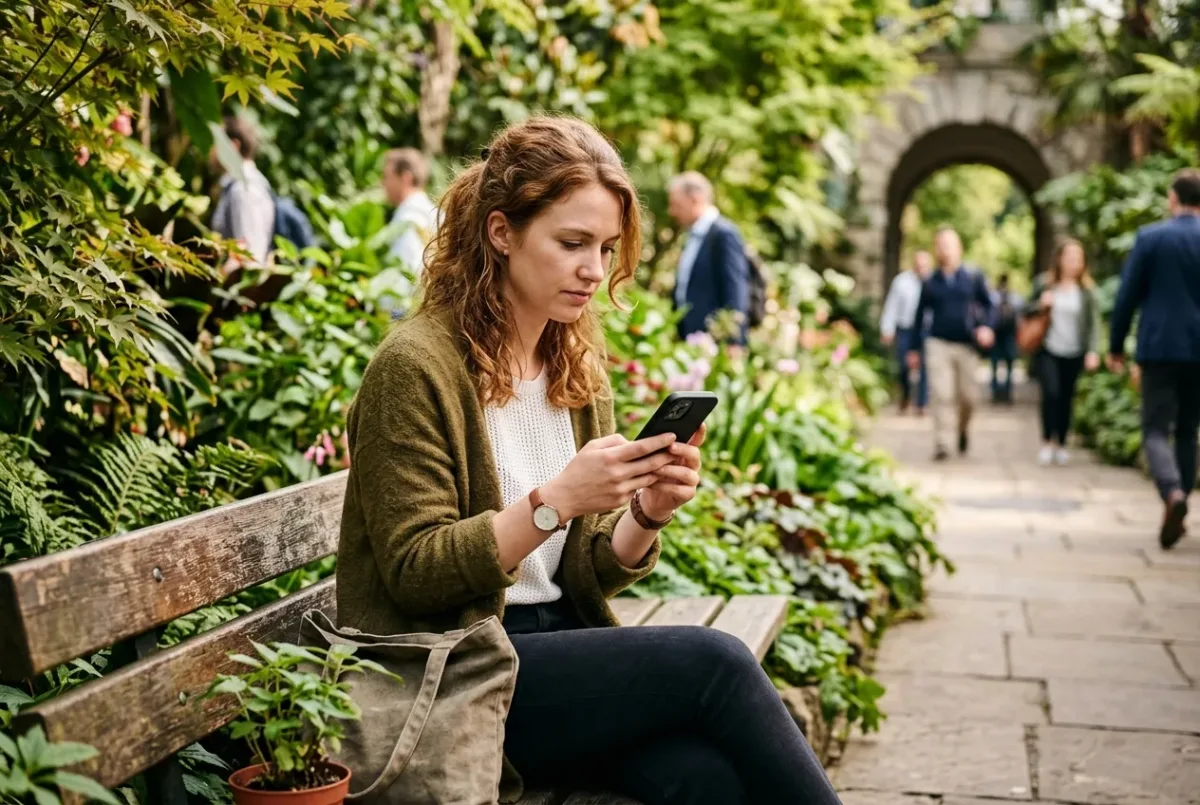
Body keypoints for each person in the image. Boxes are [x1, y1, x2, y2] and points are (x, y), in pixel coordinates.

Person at [335, 117, 841, 805]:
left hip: (553, 656)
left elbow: (585, 565)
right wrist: (553, 502)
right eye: (572, 243)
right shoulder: (415, 367)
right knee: (714, 661)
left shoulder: (571, 363)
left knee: (702, 780)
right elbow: (414, 571)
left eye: (605, 247)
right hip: (458, 671)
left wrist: (645, 512)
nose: (594, 270)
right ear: (501, 232)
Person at [1109, 168, 1200, 550]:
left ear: (1173, 198)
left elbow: (1127, 296)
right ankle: (1180, 504)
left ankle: (1172, 493)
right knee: (1188, 429)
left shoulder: (1151, 237)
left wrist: (1115, 346)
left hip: (1160, 346)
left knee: (1155, 428)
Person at [908, 227, 995, 461]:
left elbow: (989, 305)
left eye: (950, 244)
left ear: (959, 248)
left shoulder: (973, 278)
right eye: (941, 245)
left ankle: (962, 429)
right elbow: (918, 316)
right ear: (936, 249)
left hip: (966, 345)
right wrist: (914, 349)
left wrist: (987, 326)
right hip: (938, 343)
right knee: (941, 394)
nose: (945, 249)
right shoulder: (930, 282)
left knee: (969, 398)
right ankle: (943, 443)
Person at [1027, 240, 1101, 466]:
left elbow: (1093, 324)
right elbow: (1024, 310)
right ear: (1059, 259)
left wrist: (1093, 351)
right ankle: (1047, 440)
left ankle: (1061, 442)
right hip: (1048, 349)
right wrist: (1040, 304)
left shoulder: (1087, 291)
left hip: (1074, 351)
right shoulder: (1044, 284)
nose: (1073, 263)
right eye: (1069, 257)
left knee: (1066, 398)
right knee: (1051, 393)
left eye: (1078, 258)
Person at [667, 172, 751, 344]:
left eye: (677, 204)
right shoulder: (692, 236)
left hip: (714, 341)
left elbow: (735, 288)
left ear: (695, 199)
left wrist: (734, 341)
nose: (672, 212)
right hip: (690, 337)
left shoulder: (723, 234)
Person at [210, 115, 276, 267]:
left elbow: (251, 257)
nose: (211, 150)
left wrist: (219, 277)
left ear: (233, 146)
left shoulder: (244, 189)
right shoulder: (240, 186)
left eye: (215, 143)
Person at [880, 250, 933, 414]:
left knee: (926, 366)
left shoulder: (934, 282)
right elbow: (892, 306)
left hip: (927, 330)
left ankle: (921, 403)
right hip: (906, 329)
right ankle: (905, 395)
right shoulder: (901, 282)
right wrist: (887, 328)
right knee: (903, 366)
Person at [382, 147, 439, 273]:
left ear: (405, 177)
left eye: (387, 176)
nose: (383, 183)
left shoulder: (408, 218)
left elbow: (407, 271)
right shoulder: (435, 213)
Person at [989, 274, 1023, 405]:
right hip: (1006, 334)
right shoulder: (1014, 297)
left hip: (1001, 334)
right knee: (1006, 364)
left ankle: (997, 393)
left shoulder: (994, 296)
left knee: (996, 364)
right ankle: (1005, 393)